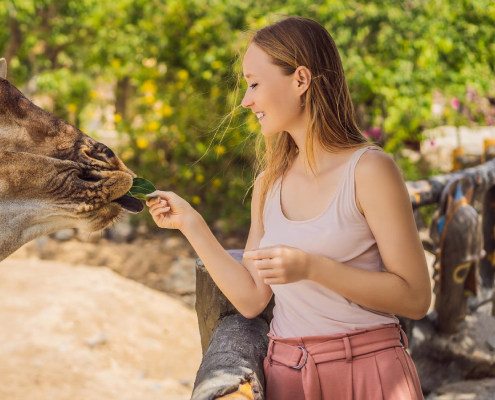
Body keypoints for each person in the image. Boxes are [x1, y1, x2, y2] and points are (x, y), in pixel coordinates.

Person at [146, 16, 430, 399]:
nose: (246, 100)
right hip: (289, 376)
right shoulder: (268, 184)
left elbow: (415, 297)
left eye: (254, 83)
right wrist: (191, 224)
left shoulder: (370, 170)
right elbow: (250, 298)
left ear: (300, 80)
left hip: (369, 371)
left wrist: (313, 268)